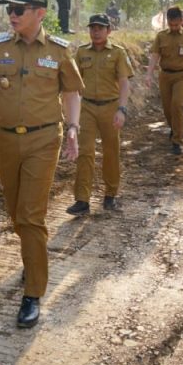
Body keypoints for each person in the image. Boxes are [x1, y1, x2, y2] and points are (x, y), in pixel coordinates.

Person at [0, 0, 83, 328]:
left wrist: (74, 129)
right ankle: (33, 259)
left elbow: (73, 93)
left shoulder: (60, 51)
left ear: (40, 13)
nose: (12, 15)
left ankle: (32, 292)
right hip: (5, 140)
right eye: (9, 10)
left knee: (32, 217)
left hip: (44, 140)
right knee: (17, 214)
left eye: (19, 10)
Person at [67, 14, 134, 216]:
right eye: (92, 28)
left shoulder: (118, 53)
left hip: (110, 107)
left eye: (100, 28)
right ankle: (81, 200)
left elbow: (124, 83)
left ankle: (110, 195)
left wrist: (122, 109)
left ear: (108, 31)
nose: (95, 31)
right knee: (85, 152)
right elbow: (72, 83)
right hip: (86, 107)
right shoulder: (81, 53)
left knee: (110, 152)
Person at [145, 6, 183, 155]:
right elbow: (155, 56)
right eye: (171, 24)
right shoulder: (161, 36)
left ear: (182, 21)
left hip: (182, 75)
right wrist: (149, 74)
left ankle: (177, 140)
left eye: (177, 24)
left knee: (177, 105)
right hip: (165, 76)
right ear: (168, 21)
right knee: (167, 108)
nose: (174, 27)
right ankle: (174, 128)